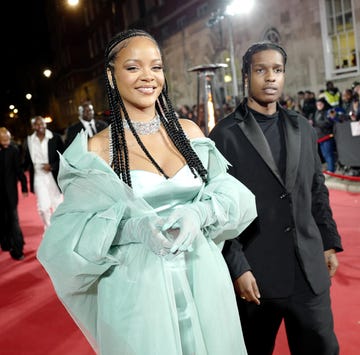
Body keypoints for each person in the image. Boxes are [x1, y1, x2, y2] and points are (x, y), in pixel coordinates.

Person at [37, 29, 257, 355]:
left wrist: (200, 213)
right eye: (133, 67)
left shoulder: (189, 132)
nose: (148, 77)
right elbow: (67, 239)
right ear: (111, 77)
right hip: (138, 293)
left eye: (156, 67)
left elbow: (232, 196)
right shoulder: (95, 151)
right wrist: (132, 229)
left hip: (205, 281)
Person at [209, 41, 343, 355]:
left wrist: (327, 241)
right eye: (261, 70)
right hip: (257, 277)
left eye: (277, 70)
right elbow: (219, 212)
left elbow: (316, 190)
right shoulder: (224, 135)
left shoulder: (302, 127)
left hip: (308, 272)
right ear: (246, 76)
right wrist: (238, 268)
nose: (270, 77)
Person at [23, 116, 64, 230]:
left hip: (53, 175)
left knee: (57, 205)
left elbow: (63, 156)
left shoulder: (55, 138)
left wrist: (52, 166)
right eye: (36, 124)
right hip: (38, 176)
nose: (40, 126)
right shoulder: (29, 140)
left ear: (45, 124)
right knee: (43, 207)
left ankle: (59, 229)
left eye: (42, 123)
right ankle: (49, 229)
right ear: (33, 126)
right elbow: (26, 160)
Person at [0, 127, 28, 260]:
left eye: (8, 139)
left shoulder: (14, 150)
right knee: (3, 220)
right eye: (3, 140)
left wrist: (24, 186)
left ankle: (18, 249)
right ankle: (5, 243)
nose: (6, 142)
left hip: (11, 192)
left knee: (13, 221)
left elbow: (19, 169)